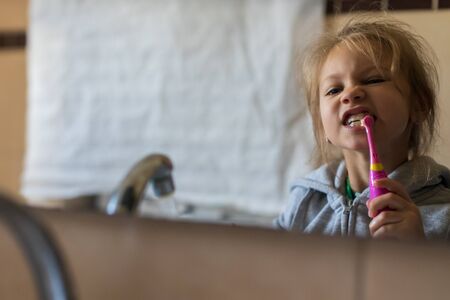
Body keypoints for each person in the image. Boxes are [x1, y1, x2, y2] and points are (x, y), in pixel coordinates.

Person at [276, 14, 450, 240]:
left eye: (373, 79)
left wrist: (417, 253)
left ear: (419, 104)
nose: (350, 93)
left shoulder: (444, 212)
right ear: (321, 124)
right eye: (334, 90)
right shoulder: (303, 202)